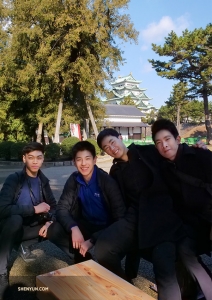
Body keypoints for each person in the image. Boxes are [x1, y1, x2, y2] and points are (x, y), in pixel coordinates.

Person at [95, 128, 211, 300]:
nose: (111, 148)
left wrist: (195, 149)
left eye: (112, 142)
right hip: (141, 222)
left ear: (120, 138)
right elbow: (121, 206)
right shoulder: (116, 172)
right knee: (104, 251)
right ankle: (128, 288)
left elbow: (172, 152)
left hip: (166, 217)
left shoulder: (147, 152)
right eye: (106, 148)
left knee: (170, 267)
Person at [151, 118, 212, 298]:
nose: (164, 145)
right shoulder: (165, 168)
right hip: (194, 223)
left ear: (177, 139)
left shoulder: (200, 155)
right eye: (159, 143)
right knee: (185, 250)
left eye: (167, 139)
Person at [47, 141, 125, 264]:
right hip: (86, 223)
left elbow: (119, 219)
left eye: (87, 158)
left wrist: (93, 240)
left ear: (95, 160)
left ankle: (117, 275)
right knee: (53, 230)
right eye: (79, 159)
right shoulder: (74, 179)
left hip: (107, 227)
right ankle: (82, 258)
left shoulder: (107, 182)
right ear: (74, 162)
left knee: (103, 253)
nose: (83, 164)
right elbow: (61, 208)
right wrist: (74, 227)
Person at [0, 142, 56, 299]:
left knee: (59, 223)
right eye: (30, 157)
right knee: (15, 219)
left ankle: (78, 259)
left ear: (43, 159)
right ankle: (1, 270)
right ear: (24, 159)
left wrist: (49, 222)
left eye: (39, 157)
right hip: (10, 227)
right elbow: (2, 209)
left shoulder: (43, 181)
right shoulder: (14, 179)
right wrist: (33, 209)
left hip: (31, 228)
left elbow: (54, 207)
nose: (35, 161)